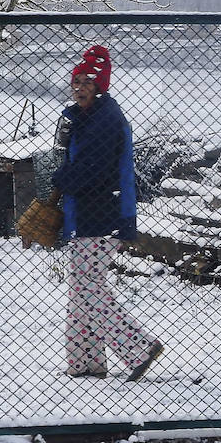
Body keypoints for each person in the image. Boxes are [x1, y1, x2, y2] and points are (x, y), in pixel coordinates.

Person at [51, 44, 163, 382]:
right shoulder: (89, 118)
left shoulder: (104, 121)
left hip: (100, 213)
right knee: (81, 286)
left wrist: (59, 179)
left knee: (87, 286)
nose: (80, 87)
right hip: (90, 213)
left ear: (100, 85)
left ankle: (139, 347)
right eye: (76, 81)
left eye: (87, 81)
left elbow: (92, 170)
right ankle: (85, 361)